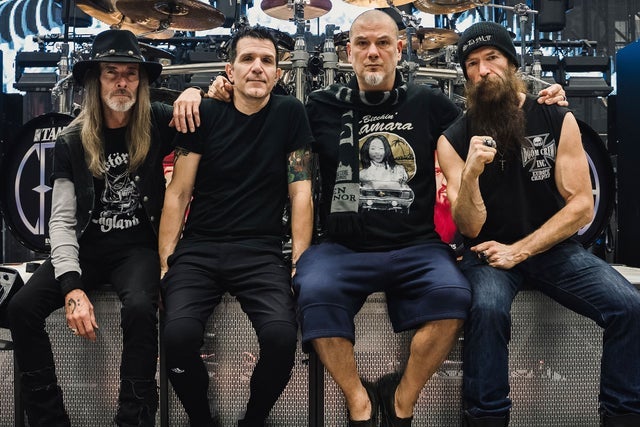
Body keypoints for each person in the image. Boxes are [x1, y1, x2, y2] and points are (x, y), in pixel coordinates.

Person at [199, 13, 567, 427]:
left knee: (456, 299)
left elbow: (490, 116)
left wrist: (540, 104)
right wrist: (213, 91)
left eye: (383, 43)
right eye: (362, 44)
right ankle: (360, 402)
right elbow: (259, 107)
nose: (372, 52)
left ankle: (401, 399)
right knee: (311, 292)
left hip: (417, 245)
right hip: (342, 247)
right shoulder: (319, 105)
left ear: (400, 49)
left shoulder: (429, 103)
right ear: (348, 52)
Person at [437, 21, 640, 427]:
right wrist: (472, 173)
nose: (483, 70)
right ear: (465, 77)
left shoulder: (555, 117)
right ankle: (487, 417)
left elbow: (581, 206)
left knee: (629, 307)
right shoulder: (454, 139)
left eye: (492, 58)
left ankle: (622, 415)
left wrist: (521, 250)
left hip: (551, 248)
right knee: (487, 311)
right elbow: (471, 228)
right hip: (488, 252)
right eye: (472, 64)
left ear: (511, 64)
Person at [7, 29, 175, 426]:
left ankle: (133, 418)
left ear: (141, 81)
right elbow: (63, 220)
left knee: (140, 308)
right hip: (86, 247)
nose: (121, 82)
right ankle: (49, 419)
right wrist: (71, 286)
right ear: (95, 81)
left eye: (130, 73)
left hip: (137, 249)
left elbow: (205, 113)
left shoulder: (157, 120)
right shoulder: (71, 140)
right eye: (111, 72)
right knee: (21, 308)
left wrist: (195, 96)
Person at [159, 26, 313, 427]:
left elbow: (301, 192)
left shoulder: (290, 113)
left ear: (278, 73)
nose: (257, 67)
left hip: (261, 251)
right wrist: (165, 263)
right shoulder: (205, 115)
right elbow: (178, 192)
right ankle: (200, 419)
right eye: (248, 59)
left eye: (267, 61)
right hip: (199, 249)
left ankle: (254, 420)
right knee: (176, 338)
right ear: (230, 70)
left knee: (281, 339)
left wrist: (299, 261)